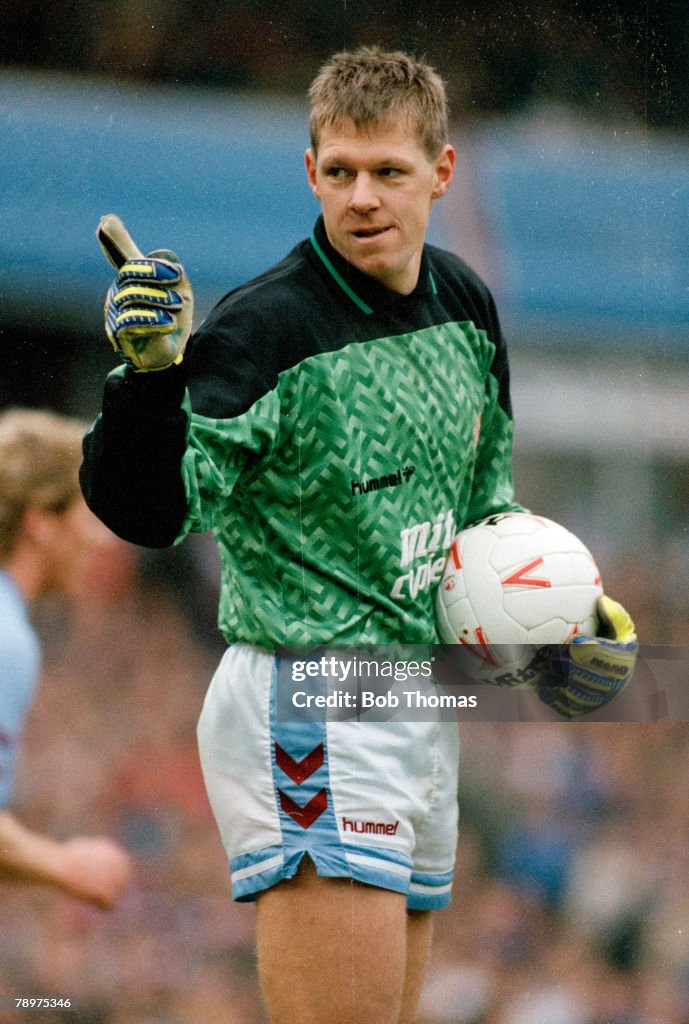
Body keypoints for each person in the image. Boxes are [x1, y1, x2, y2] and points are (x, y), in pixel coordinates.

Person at [80, 47, 637, 1024]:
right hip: (311, 696)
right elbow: (151, 509)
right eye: (338, 171)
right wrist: (145, 382)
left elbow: (484, 510)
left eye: (387, 171)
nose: (363, 196)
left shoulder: (464, 304)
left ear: (441, 172)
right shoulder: (263, 330)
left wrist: (568, 611)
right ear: (310, 174)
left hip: (411, 695)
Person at [0, 408, 132, 909]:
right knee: (45, 998)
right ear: (40, 523)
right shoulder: (7, 638)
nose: (97, 539)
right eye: (84, 516)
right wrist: (66, 865)